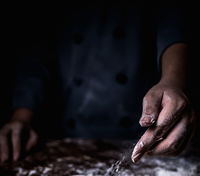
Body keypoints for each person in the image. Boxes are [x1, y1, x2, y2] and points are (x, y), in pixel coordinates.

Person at [0, 4, 196, 163]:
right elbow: (35, 50)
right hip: (68, 138)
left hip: (143, 134)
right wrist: (21, 117)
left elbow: (174, 19)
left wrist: (172, 80)